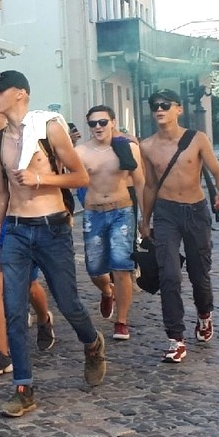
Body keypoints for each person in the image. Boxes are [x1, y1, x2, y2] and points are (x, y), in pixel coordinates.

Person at [0, 70, 106, 417]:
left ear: (20, 94)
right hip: (16, 230)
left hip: (52, 228)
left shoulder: (49, 129)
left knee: (68, 303)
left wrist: (41, 178)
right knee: (13, 310)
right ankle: (23, 388)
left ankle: (92, 343)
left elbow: (81, 177)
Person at [138, 89, 219, 363]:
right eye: (155, 105)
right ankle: (175, 338)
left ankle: (204, 315)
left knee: (199, 272)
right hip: (166, 213)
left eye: (165, 105)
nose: (159, 109)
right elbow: (150, 186)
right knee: (169, 275)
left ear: (178, 109)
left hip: (196, 211)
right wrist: (145, 221)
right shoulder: (147, 146)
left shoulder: (197, 140)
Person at [0, 90, 54, 378]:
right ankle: (3, 353)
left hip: (18, 218)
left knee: (27, 286)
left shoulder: (24, 138)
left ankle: (43, 317)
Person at [74, 106, 144, 341]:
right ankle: (106, 291)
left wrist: (145, 217)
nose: (98, 127)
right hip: (93, 213)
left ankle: (121, 321)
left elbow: (141, 182)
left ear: (113, 122)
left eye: (103, 122)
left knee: (121, 267)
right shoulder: (81, 151)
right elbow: (69, 176)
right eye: (93, 124)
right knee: (94, 268)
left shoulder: (127, 148)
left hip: (121, 211)